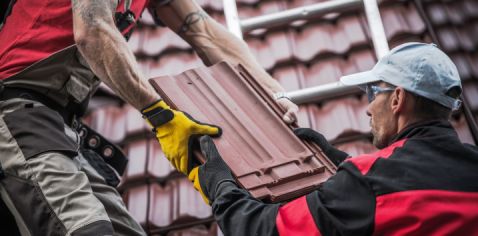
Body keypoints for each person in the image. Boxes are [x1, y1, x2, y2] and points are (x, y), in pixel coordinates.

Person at [0, 0, 298, 235]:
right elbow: (93, 32)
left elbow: (204, 33)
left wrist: (273, 94)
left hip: (57, 127)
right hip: (14, 115)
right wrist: (162, 116)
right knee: (88, 229)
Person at [185, 42, 478, 235]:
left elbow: (265, 230)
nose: (368, 107)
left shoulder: (367, 183)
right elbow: (403, 186)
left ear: (397, 99)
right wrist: (337, 160)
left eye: (373, 92)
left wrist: (221, 186)